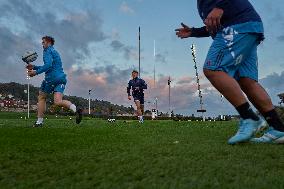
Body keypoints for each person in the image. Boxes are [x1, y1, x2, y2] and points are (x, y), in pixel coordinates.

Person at [175, 0, 284, 144]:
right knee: (247, 81)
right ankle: (278, 129)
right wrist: (194, 32)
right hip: (249, 28)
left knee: (213, 68)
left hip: (237, 26)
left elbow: (221, 13)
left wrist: (220, 6)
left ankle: (249, 117)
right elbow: (214, 24)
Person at [27, 36, 82, 127]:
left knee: (41, 97)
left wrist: (35, 72)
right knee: (58, 101)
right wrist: (34, 67)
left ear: (49, 43)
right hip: (61, 79)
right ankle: (76, 109)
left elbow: (48, 66)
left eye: (43, 42)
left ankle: (39, 122)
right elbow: (50, 66)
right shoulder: (55, 52)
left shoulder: (47, 51)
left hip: (51, 79)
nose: (42, 44)